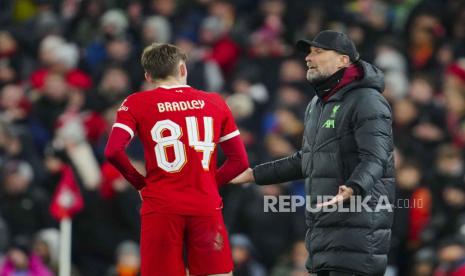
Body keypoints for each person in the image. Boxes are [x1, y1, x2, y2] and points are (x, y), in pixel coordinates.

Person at [232, 30, 395, 275]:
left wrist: (354, 187)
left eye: (318, 52)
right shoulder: (317, 104)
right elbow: (307, 160)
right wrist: (253, 175)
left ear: (343, 60)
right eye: (309, 53)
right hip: (324, 234)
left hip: (358, 233)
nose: (309, 58)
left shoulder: (367, 99)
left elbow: (376, 156)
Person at [104, 43, 249, 276]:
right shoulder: (215, 102)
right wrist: (209, 183)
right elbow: (239, 161)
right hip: (205, 205)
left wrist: (140, 184)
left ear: (148, 76)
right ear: (183, 69)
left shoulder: (135, 103)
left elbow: (113, 151)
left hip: (161, 205)